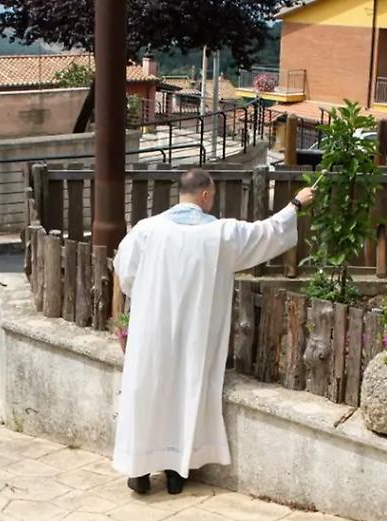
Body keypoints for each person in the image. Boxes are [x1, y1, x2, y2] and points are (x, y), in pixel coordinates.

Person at [112, 169, 316, 494]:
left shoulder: (146, 230)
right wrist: (296, 204)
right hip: (195, 332)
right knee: (186, 391)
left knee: (147, 390)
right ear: (205, 195)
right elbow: (266, 233)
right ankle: (177, 472)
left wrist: (151, 300)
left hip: (152, 329)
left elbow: (126, 272)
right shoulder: (220, 234)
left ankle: (138, 469)